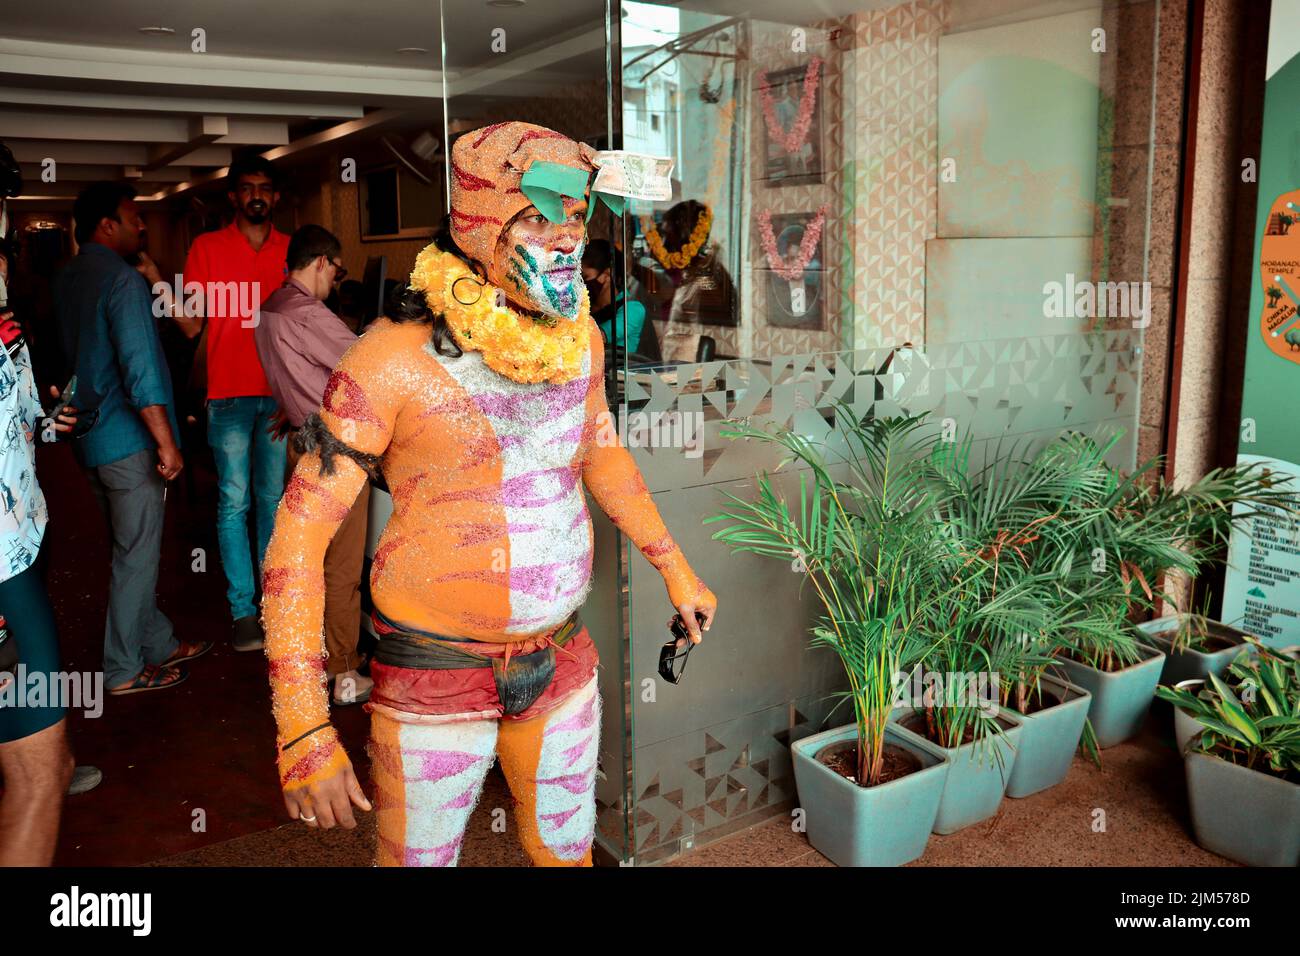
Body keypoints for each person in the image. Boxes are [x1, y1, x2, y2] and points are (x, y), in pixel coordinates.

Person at [261, 122, 717, 867]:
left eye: (576, 215)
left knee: (565, 852)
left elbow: (601, 457)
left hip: (562, 656)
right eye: (539, 216)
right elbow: (297, 543)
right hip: (434, 670)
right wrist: (304, 725)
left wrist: (676, 567)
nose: (567, 236)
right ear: (479, 221)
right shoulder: (387, 358)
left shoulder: (583, 339)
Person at [53, 183, 210, 696]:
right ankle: (122, 669)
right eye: (132, 218)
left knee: (130, 549)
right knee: (137, 555)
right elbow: (140, 371)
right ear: (106, 225)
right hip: (127, 440)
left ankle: (157, 642)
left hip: (88, 437)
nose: (141, 227)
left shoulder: (68, 277)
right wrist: (166, 443)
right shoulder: (122, 282)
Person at [0, 154, 101, 865]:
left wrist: (45, 417)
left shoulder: (2, 293)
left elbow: (20, 410)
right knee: (41, 775)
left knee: (47, 770)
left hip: (20, 550)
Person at [254, 225, 371, 707]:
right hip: (336, 453)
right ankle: (344, 673)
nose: (335, 281)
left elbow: (291, 373)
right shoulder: (306, 312)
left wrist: (293, 405)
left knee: (311, 563)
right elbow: (364, 365)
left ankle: (313, 658)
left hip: (301, 446)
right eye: (337, 270)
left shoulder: (270, 308)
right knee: (341, 569)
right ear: (321, 261)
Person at [182, 156, 290, 652]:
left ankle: (272, 602)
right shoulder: (206, 247)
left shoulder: (291, 251)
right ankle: (243, 611)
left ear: (275, 196)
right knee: (233, 502)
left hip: (275, 396)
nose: (256, 196)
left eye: (264, 188)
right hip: (225, 394)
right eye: (247, 188)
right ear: (233, 197)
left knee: (272, 502)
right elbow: (189, 324)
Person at [582, 239, 647, 359]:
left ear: (607, 274)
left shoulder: (632, 309)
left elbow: (597, 337)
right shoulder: (584, 307)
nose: (580, 283)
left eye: (585, 277)